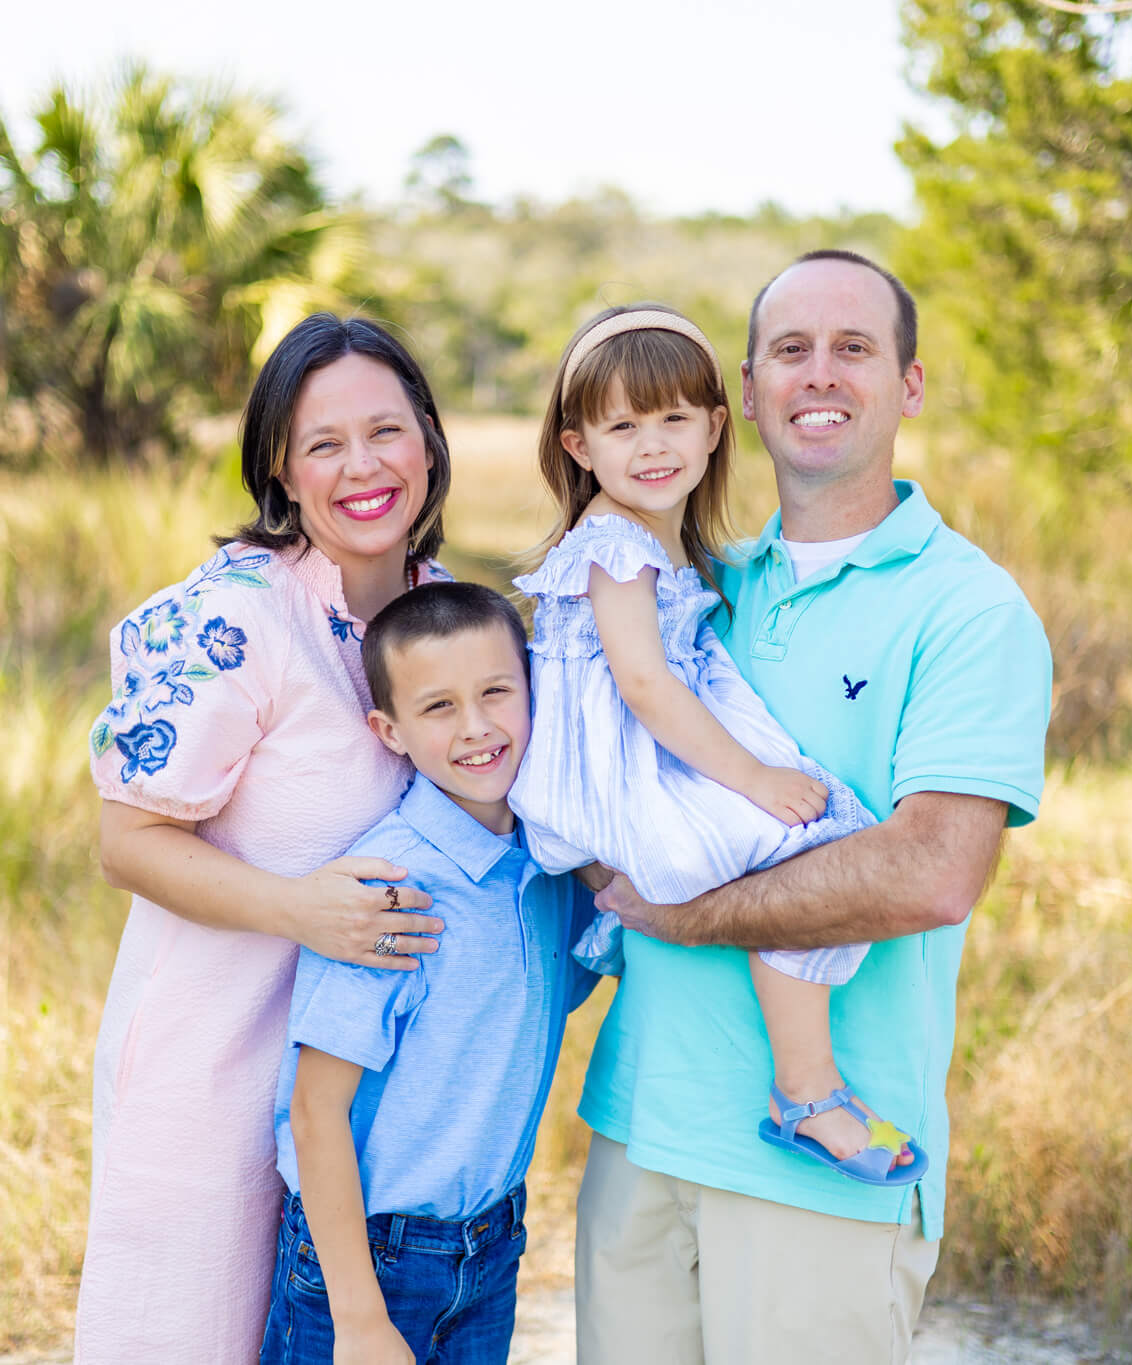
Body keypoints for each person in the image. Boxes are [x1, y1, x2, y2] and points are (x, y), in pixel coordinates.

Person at [572, 252, 1054, 1365]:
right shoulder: (694, 592)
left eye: (853, 349)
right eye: (789, 350)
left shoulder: (966, 608)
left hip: (818, 1175)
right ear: (745, 391)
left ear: (909, 385)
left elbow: (931, 870)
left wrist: (683, 911)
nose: (818, 375)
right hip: (641, 1135)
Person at [77, 314, 458, 1362]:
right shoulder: (232, 617)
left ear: (427, 439)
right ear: (281, 471)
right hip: (212, 1080)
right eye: (322, 444)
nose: (362, 467)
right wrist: (299, 910)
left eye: (385, 431)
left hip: (367, 1105)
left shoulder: (442, 619)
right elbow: (129, 841)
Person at [508, 302, 926, 1185]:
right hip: (622, 778)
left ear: (712, 427)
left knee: (821, 846)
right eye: (623, 426)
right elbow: (645, 685)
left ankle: (805, 1085)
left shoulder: (666, 544)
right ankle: (807, 1093)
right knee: (805, 851)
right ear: (580, 446)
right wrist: (756, 777)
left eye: (672, 419)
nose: (652, 445)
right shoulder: (617, 543)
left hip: (633, 766)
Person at [261, 582, 598, 1365]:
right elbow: (317, 1111)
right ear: (391, 730)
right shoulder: (393, 889)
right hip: (369, 1256)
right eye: (439, 707)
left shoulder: (545, 862)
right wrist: (359, 1318)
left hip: (492, 1241)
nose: (477, 727)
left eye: (495, 693)